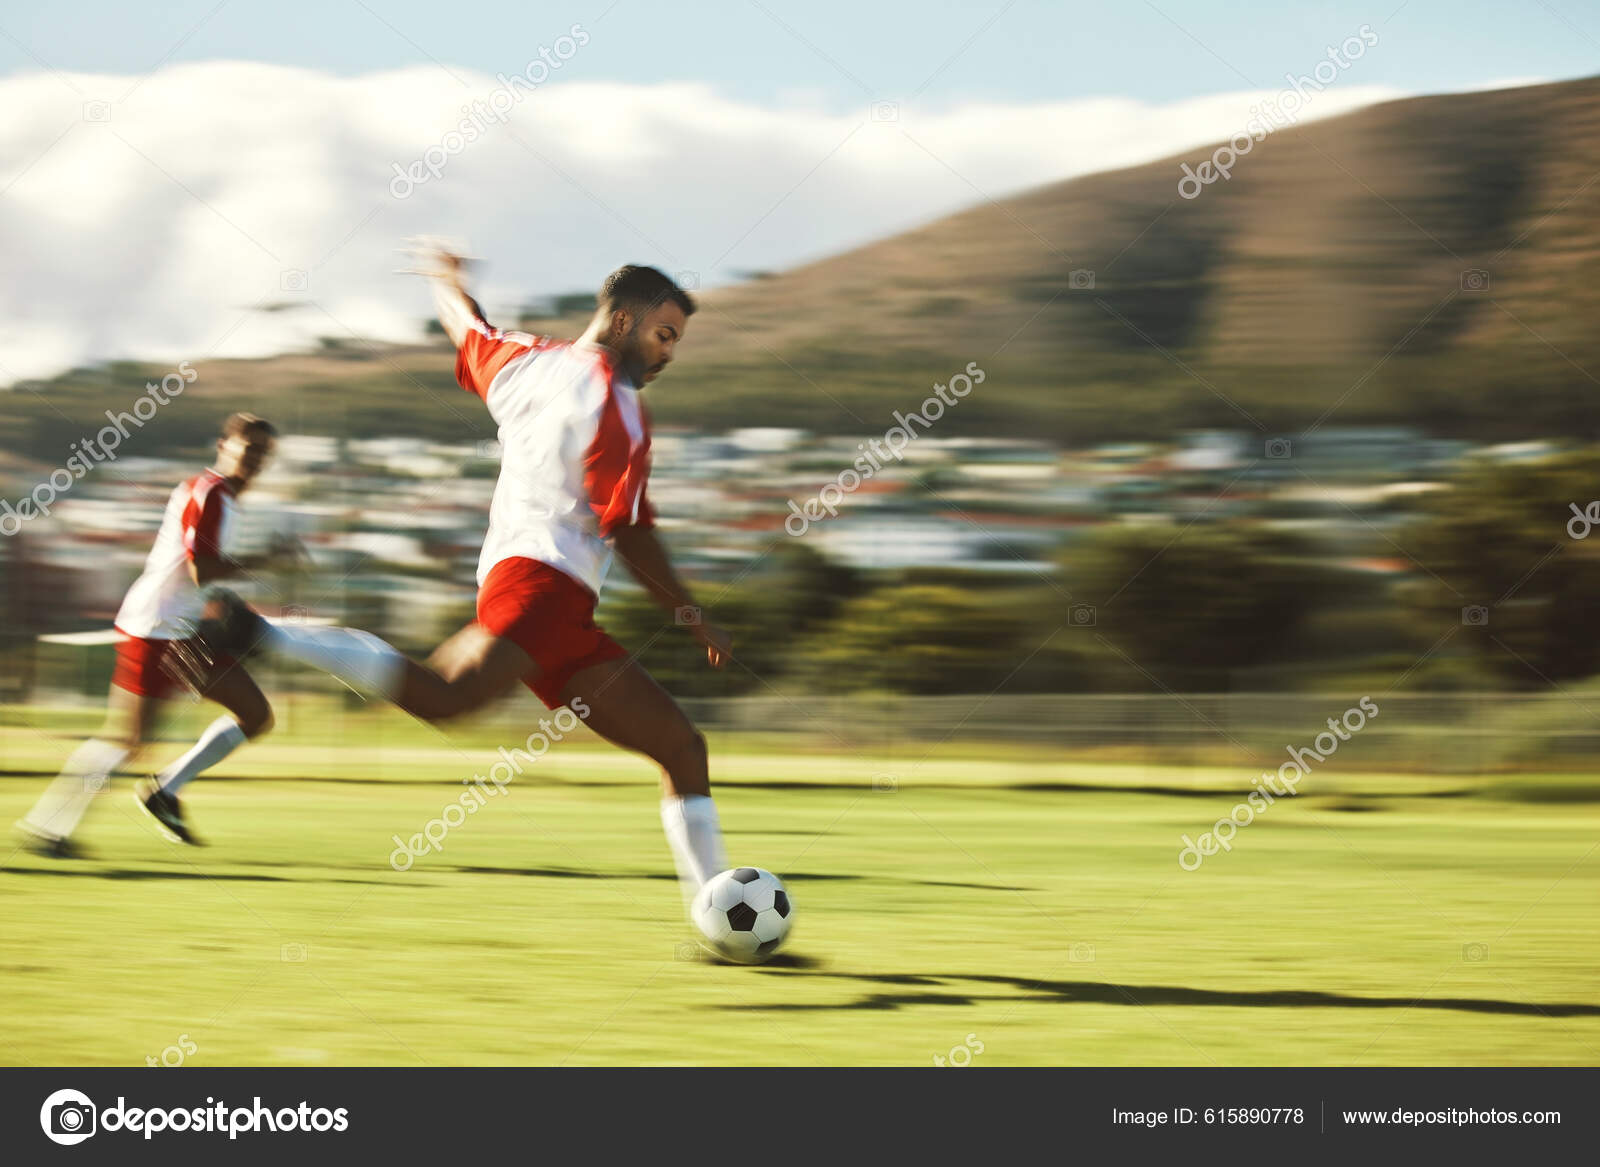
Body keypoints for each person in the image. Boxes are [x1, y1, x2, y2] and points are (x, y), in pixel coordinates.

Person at [194, 244, 735, 905]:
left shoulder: (525, 361)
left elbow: (467, 328)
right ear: (623, 321)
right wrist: (691, 612)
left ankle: (717, 915)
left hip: (551, 602)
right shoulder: (615, 404)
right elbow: (628, 528)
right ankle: (265, 633)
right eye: (664, 334)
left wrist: (447, 281)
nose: (668, 353)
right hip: (542, 589)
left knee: (682, 746)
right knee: (447, 696)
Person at [16, 413, 291, 854]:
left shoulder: (224, 498)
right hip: (157, 629)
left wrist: (221, 610)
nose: (257, 458)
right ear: (224, 445)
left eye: (264, 453)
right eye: (250, 448)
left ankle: (165, 789)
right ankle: (48, 829)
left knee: (255, 714)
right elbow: (201, 570)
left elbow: (197, 573)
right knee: (128, 740)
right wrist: (266, 560)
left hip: (185, 633)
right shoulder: (211, 493)